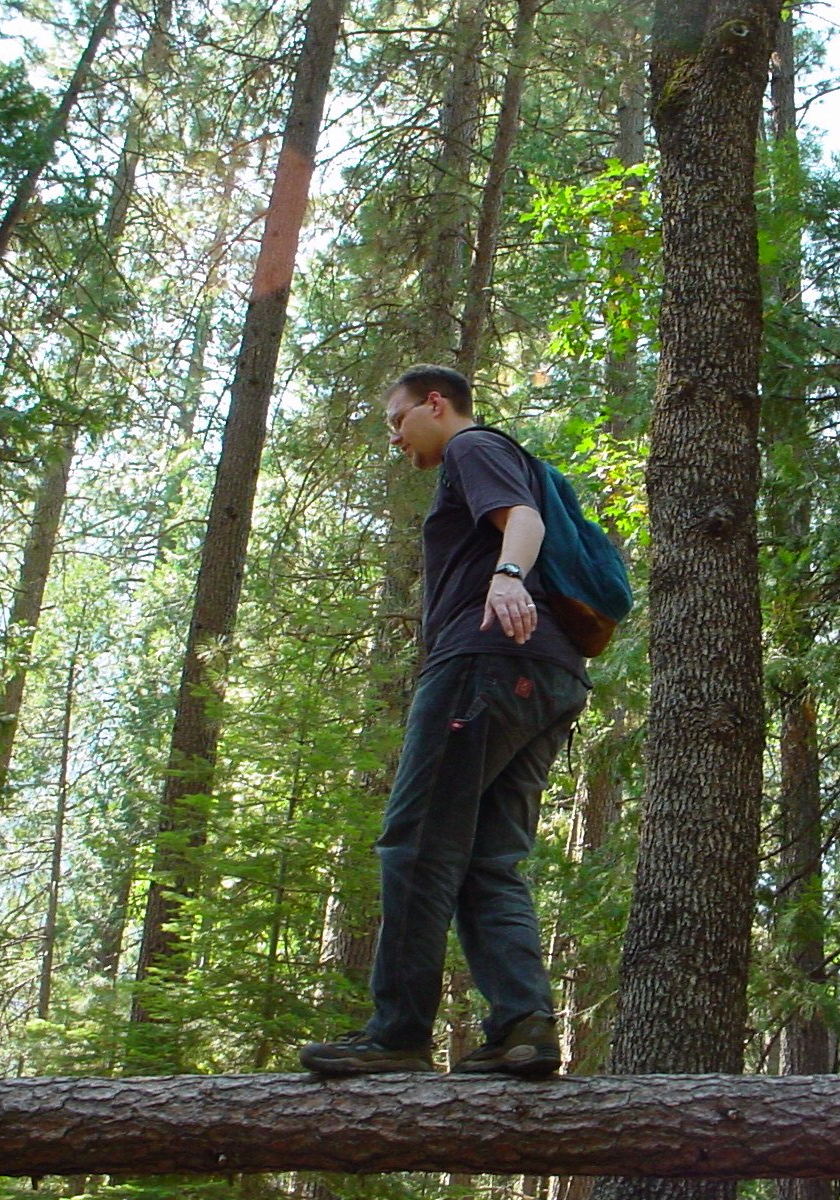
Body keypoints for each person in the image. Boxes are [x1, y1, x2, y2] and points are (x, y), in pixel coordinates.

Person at [299, 365, 590, 1077]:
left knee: (418, 842)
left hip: (485, 664)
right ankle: (524, 1028)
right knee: (488, 860)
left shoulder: (471, 446)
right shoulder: (496, 455)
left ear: (436, 404)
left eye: (398, 420)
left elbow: (524, 520)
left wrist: (507, 578)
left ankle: (398, 1034)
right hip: (549, 677)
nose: (395, 438)